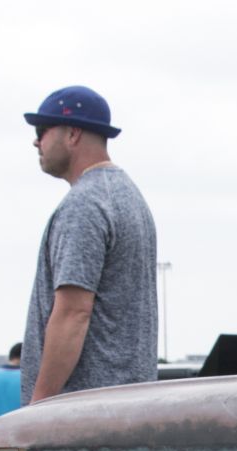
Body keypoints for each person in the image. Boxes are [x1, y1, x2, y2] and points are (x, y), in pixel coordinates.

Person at [20, 86, 158, 403]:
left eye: (42, 130)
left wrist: (38, 408)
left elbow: (73, 314)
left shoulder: (85, 205)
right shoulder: (129, 196)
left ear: (73, 134)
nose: (35, 141)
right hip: (126, 408)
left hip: (82, 414)